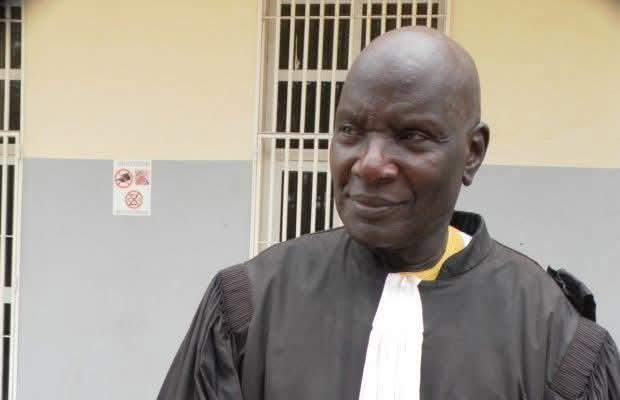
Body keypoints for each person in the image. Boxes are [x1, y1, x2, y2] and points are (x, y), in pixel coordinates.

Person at [158, 27, 620, 399]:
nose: (369, 164)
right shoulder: (248, 308)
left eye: (412, 136)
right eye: (349, 130)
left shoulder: (555, 339)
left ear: (473, 152)